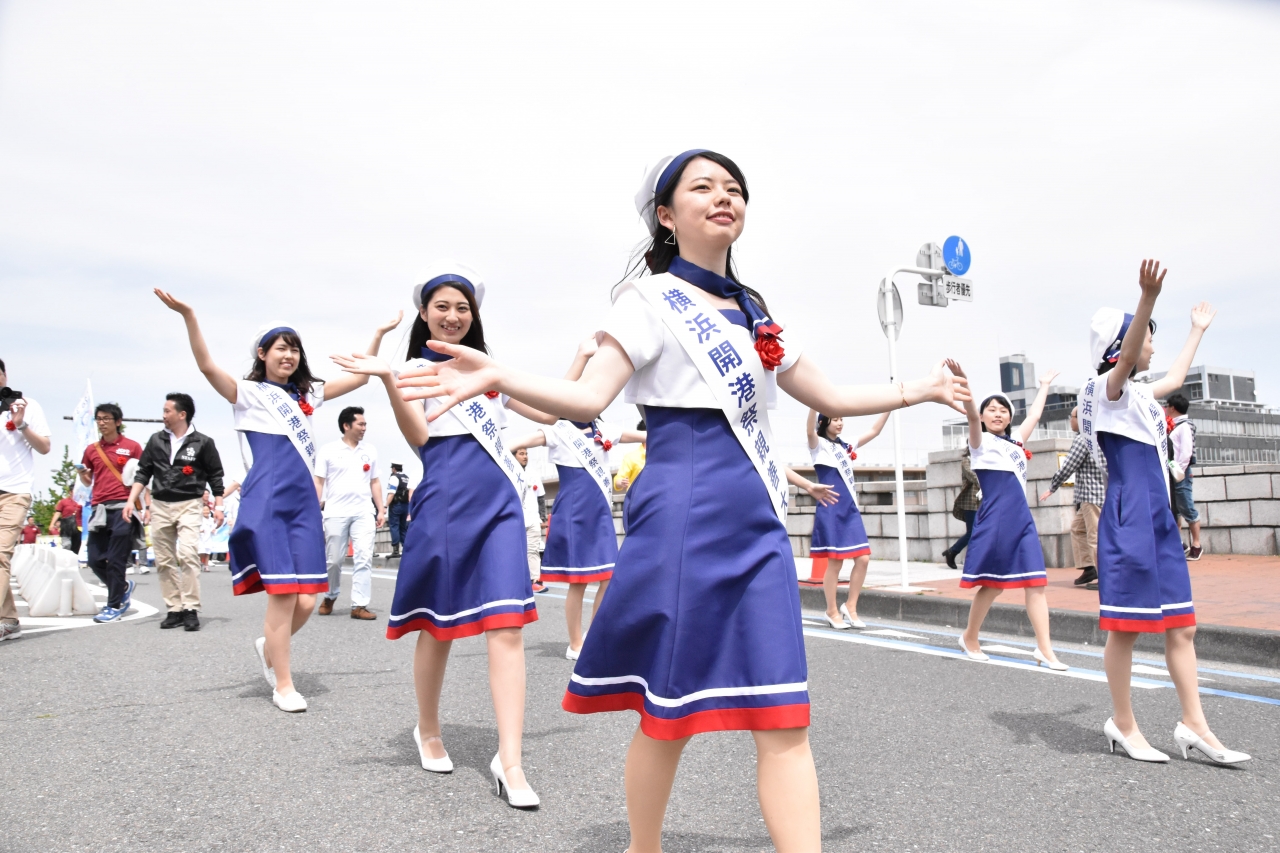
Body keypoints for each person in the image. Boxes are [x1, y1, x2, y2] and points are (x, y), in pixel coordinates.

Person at [389, 151, 969, 850]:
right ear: (666, 215)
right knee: (670, 714)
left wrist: (921, 389)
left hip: (757, 525)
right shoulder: (649, 301)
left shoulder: (755, 311)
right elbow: (587, 398)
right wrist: (499, 375)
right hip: (683, 517)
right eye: (703, 187)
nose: (724, 197)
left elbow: (830, 396)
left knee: (784, 713)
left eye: (734, 188)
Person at [334, 262, 558, 808]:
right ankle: (428, 729)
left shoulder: (486, 371)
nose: (454, 316)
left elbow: (550, 413)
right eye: (443, 307)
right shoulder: (415, 369)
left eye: (463, 308)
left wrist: (553, 367)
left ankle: (510, 760)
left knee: (507, 626)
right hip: (446, 503)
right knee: (438, 627)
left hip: (500, 505)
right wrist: (387, 379)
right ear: (425, 313)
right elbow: (419, 436)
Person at [154, 287, 401, 713]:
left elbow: (361, 378)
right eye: (281, 348)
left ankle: (269, 646)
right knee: (284, 595)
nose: (289, 355)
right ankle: (283, 685)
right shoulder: (248, 393)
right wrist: (189, 315)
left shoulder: (306, 395)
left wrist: (378, 334)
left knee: (308, 597)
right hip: (267, 499)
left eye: (294, 349)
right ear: (263, 354)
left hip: (304, 502)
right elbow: (207, 365)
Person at [1081, 261, 1247, 765]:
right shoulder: (1108, 391)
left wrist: (1197, 330)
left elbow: (1174, 377)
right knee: (1126, 628)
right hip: (1129, 517)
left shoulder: (1137, 396)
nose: (1151, 344)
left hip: (1158, 519)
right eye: (1146, 336)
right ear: (1121, 346)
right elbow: (1127, 359)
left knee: (1182, 624)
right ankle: (1123, 722)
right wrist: (1147, 299)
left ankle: (1194, 725)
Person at [508, 336, 645, 661]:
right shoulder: (558, 431)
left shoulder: (604, 430)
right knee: (578, 582)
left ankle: (594, 635)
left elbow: (644, 435)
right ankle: (575, 643)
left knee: (609, 576)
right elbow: (518, 441)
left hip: (600, 514)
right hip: (573, 514)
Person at [945, 361, 1068, 671]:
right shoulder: (980, 443)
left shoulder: (1016, 443)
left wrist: (1044, 386)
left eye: (1003, 410)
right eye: (992, 410)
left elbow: (1035, 416)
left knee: (1036, 583)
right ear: (983, 417)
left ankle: (1045, 649)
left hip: (1022, 520)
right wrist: (964, 383)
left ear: (1010, 417)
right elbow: (971, 415)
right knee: (993, 584)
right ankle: (970, 637)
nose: (998, 413)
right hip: (996, 519)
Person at [126, 392, 225, 632]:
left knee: (188, 554)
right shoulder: (155, 440)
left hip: (190, 503)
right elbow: (143, 472)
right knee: (164, 559)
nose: (163, 415)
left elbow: (215, 475)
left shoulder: (203, 442)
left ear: (182, 414)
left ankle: (190, 608)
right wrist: (131, 500)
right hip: (160, 504)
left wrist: (219, 506)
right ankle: (174, 608)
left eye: (167, 411)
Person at [805, 408, 890, 629]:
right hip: (831, 507)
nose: (840, 423)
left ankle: (850, 607)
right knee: (836, 562)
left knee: (863, 558)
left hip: (850, 509)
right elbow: (809, 431)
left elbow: (875, 431)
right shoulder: (818, 445)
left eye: (841, 419)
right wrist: (812, 405)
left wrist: (890, 407)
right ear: (824, 423)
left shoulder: (847, 444)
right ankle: (831, 611)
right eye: (835, 419)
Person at [315, 406, 385, 620]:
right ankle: (330, 595)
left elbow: (375, 482)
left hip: (363, 512)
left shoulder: (370, 450)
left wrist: (381, 509)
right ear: (346, 425)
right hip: (336, 512)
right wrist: (313, 508)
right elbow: (319, 481)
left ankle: (359, 605)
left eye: (365, 424)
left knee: (363, 558)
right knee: (334, 560)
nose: (364, 428)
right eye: (360, 424)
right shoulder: (328, 450)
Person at [78, 403, 145, 623]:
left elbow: (143, 477)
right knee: (94, 559)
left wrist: (146, 506)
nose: (102, 422)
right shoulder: (91, 450)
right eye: (99, 419)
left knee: (116, 559)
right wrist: (83, 475)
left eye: (106, 418)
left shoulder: (132, 447)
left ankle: (113, 606)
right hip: (99, 508)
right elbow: (88, 480)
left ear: (118, 422)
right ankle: (122, 587)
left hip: (124, 507)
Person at [0, 361, 52, 642]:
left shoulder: (27, 405)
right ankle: (9, 620)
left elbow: (44, 447)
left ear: (4, 376)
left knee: (0, 554)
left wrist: (21, 425)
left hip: (14, 492)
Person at [1040, 406, 1107, 588]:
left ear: (1082, 418)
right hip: (1100, 494)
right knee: (1078, 529)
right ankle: (1089, 567)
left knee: (1095, 537)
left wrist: (1052, 487)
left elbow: (1069, 465)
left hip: (1091, 495)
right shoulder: (1101, 435)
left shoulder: (1083, 438)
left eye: (1072, 416)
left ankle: (1105, 577)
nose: (1070, 420)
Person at [1165, 392, 1202, 560]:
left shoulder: (1184, 426)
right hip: (1174, 471)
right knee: (1175, 509)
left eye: (1167, 406)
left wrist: (1178, 471)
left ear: (1173, 408)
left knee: (1186, 506)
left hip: (1180, 472)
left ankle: (1197, 545)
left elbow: (1186, 452)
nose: (1166, 409)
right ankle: (1179, 544)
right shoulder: (1175, 425)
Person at [513, 447, 547, 593]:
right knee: (516, 551)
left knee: (533, 550)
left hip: (533, 519)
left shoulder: (533, 474)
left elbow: (541, 497)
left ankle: (535, 581)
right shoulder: (509, 473)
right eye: (521, 454)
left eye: (526, 454)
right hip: (516, 520)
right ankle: (517, 581)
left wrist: (543, 518)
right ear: (514, 456)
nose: (525, 456)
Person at [941, 449, 980, 570]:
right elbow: (973, 476)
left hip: (985, 502)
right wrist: (987, 480)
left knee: (983, 532)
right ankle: (953, 551)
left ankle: (974, 560)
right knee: (972, 532)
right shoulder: (966, 460)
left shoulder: (985, 458)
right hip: (971, 502)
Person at [385, 463, 412, 557]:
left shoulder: (394, 477)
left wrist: (385, 506)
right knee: (403, 527)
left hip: (396, 505)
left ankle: (396, 550)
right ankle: (406, 549)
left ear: (394, 469)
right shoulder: (407, 478)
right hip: (406, 506)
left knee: (394, 526)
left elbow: (391, 493)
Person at [613, 419, 647, 492]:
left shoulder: (664, 454)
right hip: (638, 497)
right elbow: (618, 479)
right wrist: (621, 482)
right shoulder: (631, 457)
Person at [50, 489, 84, 554]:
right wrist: (52, 524)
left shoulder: (81, 502)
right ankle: (65, 559)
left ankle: (74, 559)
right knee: (66, 545)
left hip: (78, 527)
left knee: (76, 547)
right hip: (66, 527)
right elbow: (57, 513)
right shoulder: (63, 502)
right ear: (70, 492)